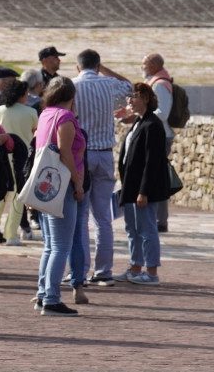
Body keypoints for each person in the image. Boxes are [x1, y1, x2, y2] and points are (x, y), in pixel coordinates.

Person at [71, 49, 132, 286]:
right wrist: (103, 70)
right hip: (105, 154)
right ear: (97, 66)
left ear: (78, 67)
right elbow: (129, 85)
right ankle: (104, 270)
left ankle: (81, 270)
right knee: (103, 217)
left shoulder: (72, 85)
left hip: (81, 155)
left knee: (80, 215)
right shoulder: (108, 83)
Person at [32, 76, 86, 315]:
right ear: (72, 96)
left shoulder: (45, 114)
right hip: (61, 186)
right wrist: (78, 183)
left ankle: (44, 294)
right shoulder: (65, 118)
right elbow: (66, 154)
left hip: (45, 185)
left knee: (50, 245)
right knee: (61, 246)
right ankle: (52, 298)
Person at [116, 83, 170, 285]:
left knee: (147, 230)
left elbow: (153, 161)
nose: (130, 100)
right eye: (129, 96)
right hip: (130, 187)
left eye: (135, 96)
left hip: (142, 189)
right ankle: (135, 267)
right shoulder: (139, 122)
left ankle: (152, 272)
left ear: (146, 98)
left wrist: (144, 191)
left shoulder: (152, 125)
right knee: (133, 229)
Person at [0, 80, 38, 245]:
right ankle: (11, 235)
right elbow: (35, 135)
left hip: (1, 158)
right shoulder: (31, 112)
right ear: (21, 95)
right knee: (18, 198)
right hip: (22, 160)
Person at [140, 53, 176, 232]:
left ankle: (161, 220)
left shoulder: (160, 85)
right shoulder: (155, 82)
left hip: (161, 136)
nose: (142, 67)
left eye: (144, 63)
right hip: (156, 134)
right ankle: (158, 219)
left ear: (152, 66)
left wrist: (141, 112)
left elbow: (163, 113)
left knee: (158, 177)